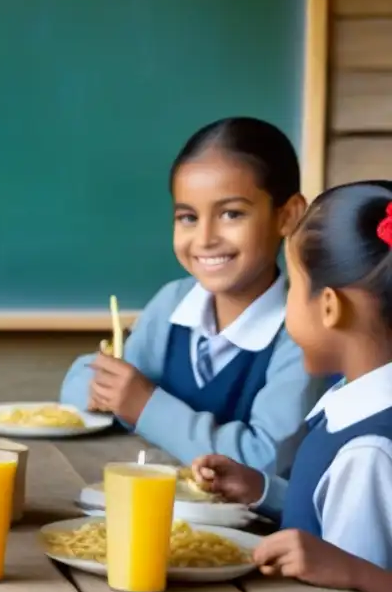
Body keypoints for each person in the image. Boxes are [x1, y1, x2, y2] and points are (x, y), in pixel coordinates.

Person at [60, 117, 327, 475]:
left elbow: (263, 459)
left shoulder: (301, 332)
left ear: (288, 215)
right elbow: (89, 392)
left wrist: (143, 406)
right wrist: (104, 390)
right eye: (187, 217)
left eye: (231, 214)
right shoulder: (173, 303)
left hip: (255, 529)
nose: (204, 239)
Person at [193, 180, 392, 572]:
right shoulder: (351, 400)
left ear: (330, 307)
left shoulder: (367, 452)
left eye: (293, 289)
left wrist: (352, 572)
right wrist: (263, 490)